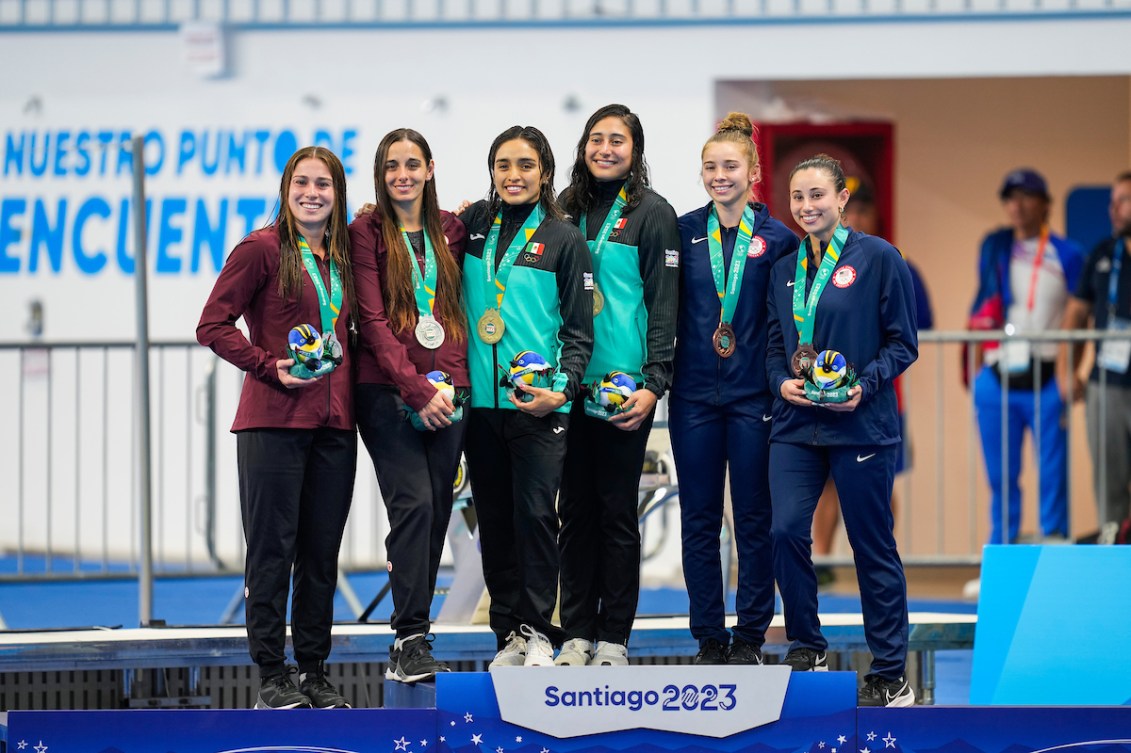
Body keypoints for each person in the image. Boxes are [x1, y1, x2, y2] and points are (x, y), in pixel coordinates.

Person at [197, 146, 356, 710]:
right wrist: (266, 365)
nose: (313, 193)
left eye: (324, 184)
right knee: (272, 551)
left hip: (335, 423)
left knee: (321, 554)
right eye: (302, 183)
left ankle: (313, 671)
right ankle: (272, 672)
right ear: (286, 189)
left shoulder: (345, 256)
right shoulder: (261, 249)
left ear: (338, 194)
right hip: (274, 421)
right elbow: (212, 324)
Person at [766, 153, 918, 707]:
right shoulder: (784, 267)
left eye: (817, 196)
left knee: (870, 546)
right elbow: (775, 346)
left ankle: (890, 671)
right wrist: (781, 381)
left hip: (860, 425)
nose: (807, 207)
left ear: (842, 199)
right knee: (783, 532)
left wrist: (865, 384)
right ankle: (807, 645)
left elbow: (904, 342)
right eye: (798, 197)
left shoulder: (879, 258)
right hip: (795, 424)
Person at [460, 125, 594, 668]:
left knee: (536, 516)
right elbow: (412, 232)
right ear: (491, 172)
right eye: (502, 165)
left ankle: (539, 630)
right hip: (481, 406)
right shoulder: (470, 226)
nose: (513, 176)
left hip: (538, 406)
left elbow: (579, 332)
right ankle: (507, 634)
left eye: (525, 165)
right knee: (493, 520)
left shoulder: (564, 239)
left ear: (545, 172)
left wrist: (559, 391)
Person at [554, 104, 680, 667]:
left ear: (636, 150)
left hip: (624, 389)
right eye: (597, 139)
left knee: (615, 511)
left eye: (618, 140)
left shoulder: (653, 214)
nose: (606, 149)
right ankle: (576, 631)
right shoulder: (562, 211)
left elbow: (663, 306)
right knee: (573, 511)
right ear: (583, 146)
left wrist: (655, 383)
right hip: (566, 385)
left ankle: (614, 638)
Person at [668, 113, 796, 666]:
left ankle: (749, 637)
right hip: (693, 395)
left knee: (753, 519)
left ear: (754, 171)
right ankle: (708, 638)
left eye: (730, 166)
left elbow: (788, 322)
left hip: (752, 400)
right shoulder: (682, 232)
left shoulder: (779, 239)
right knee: (698, 518)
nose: (720, 176)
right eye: (710, 167)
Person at [349, 129, 468, 683]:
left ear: (429, 167)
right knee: (414, 504)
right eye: (393, 165)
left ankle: (415, 637)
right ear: (381, 171)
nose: (403, 174)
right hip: (386, 392)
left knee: (437, 512)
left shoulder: (450, 229)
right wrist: (414, 389)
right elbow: (371, 322)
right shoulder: (365, 232)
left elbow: (451, 308)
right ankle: (408, 636)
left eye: (412, 163)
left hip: (446, 393)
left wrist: (450, 387)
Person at [810, 184, 933, 581]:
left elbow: (917, 327)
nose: (858, 219)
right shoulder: (814, 262)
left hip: (880, 393)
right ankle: (824, 561)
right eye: (853, 211)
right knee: (829, 480)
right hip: (826, 389)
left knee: (880, 478)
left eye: (866, 212)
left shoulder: (894, 261)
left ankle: (879, 555)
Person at [967, 168, 1084, 545]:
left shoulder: (1067, 254)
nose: (1016, 205)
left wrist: (1071, 370)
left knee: (1052, 471)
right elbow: (981, 305)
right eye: (1009, 197)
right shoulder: (995, 247)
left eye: (1026, 196)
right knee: (1000, 475)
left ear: (1046, 204)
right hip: (997, 374)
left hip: (1047, 377)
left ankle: (1054, 550)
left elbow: (1080, 315)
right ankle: (1002, 550)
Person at [1064, 170, 1131, 532]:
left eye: (1124, 200)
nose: (1114, 209)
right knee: (1110, 485)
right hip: (1107, 387)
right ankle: (1117, 565)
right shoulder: (1104, 254)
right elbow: (1076, 312)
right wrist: (1068, 370)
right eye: (1112, 200)